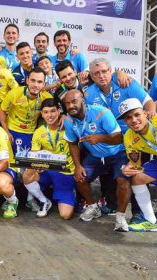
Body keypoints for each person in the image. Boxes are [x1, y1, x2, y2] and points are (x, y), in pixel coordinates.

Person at [63, 89, 131, 232]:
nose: (70, 106)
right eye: (67, 103)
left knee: (122, 182)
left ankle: (120, 216)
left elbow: (119, 138)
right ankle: (93, 206)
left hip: (118, 153)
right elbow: (72, 142)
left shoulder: (101, 112)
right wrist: (78, 165)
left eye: (74, 102)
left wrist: (100, 138)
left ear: (82, 100)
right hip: (95, 156)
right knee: (80, 177)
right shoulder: (68, 120)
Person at [23, 98, 75, 219]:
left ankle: (72, 192)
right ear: (42, 114)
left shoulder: (69, 126)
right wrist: (38, 165)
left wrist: (67, 117)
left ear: (59, 111)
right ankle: (44, 201)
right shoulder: (39, 131)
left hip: (65, 171)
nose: (49, 115)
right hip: (47, 170)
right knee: (27, 173)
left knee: (65, 215)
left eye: (53, 111)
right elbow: (34, 155)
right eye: (46, 112)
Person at [86, 58, 155, 134]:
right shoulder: (88, 94)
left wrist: (150, 115)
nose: (101, 76)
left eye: (104, 71)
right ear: (92, 77)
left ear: (110, 71)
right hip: (110, 138)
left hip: (133, 133)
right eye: (97, 73)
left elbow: (147, 101)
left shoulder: (125, 81)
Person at [118, 98, 157, 231]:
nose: (134, 120)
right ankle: (151, 221)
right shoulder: (129, 136)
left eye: (137, 114)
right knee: (137, 178)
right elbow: (135, 162)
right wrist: (127, 168)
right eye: (129, 118)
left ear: (145, 113)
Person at [0, 67, 52, 155]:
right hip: (12, 130)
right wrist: (6, 131)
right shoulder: (14, 93)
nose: (35, 85)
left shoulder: (47, 97)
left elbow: (56, 112)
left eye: (39, 82)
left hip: (32, 133)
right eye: (33, 80)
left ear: (43, 84)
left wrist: (63, 116)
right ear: (27, 80)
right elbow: (2, 110)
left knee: (26, 163)